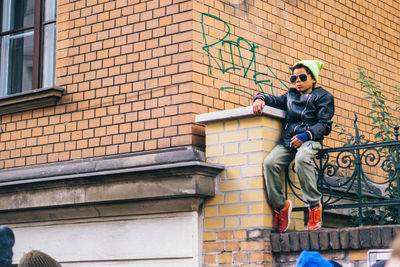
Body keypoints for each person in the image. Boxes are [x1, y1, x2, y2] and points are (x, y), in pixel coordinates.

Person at [253, 60, 335, 232]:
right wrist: (260, 98)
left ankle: (313, 206)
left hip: (310, 139)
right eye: (294, 77)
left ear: (313, 79)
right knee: (269, 163)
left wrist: (306, 135)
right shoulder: (290, 95)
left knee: (302, 159)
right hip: (289, 140)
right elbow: (274, 100)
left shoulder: (324, 97)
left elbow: (324, 125)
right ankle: (280, 207)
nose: (297, 80)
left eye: (302, 77)